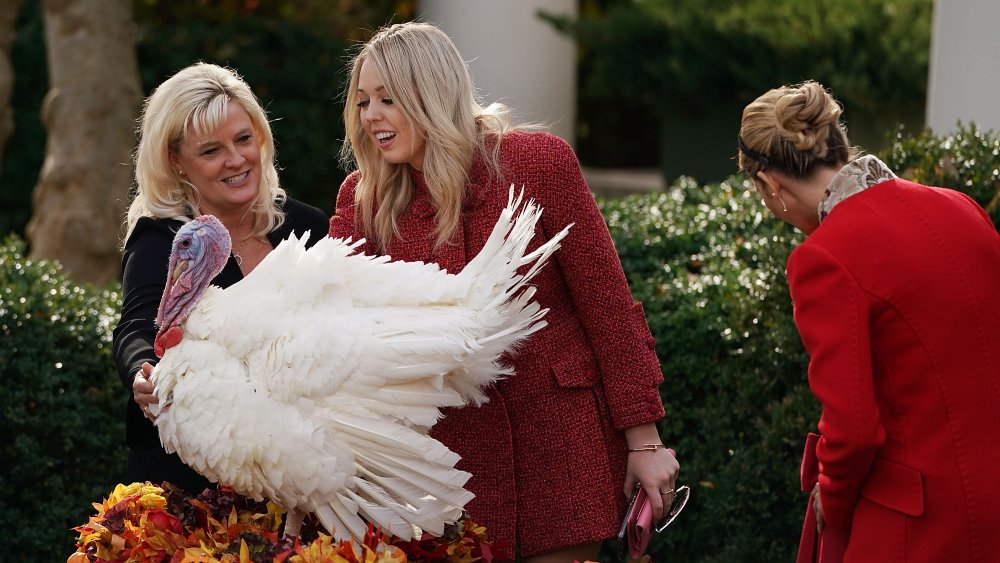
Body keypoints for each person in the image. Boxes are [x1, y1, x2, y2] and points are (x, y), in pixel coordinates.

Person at [329, 22, 679, 563]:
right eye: (362, 101)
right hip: (444, 468)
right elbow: (332, 328)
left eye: (387, 98)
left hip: (561, 445)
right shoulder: (363, 199)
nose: (370, 115)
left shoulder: (538, 163)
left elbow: (608, 310)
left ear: (431, 94)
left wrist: (646, 441)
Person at [737, 80, 1000, 561]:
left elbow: (853, 430)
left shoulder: (823, 258)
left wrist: (831, 502)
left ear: (770, 185)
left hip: (914, 525)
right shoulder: (962, 207)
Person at [112, 62, 329, 494]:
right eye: (210, 151)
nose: (236, 159)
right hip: (187, 483)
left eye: (243, 139)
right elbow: (136, 328)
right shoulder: (162, 237)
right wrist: (143, 370)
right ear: (176, 161)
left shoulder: (309, 227)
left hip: (299, 477)